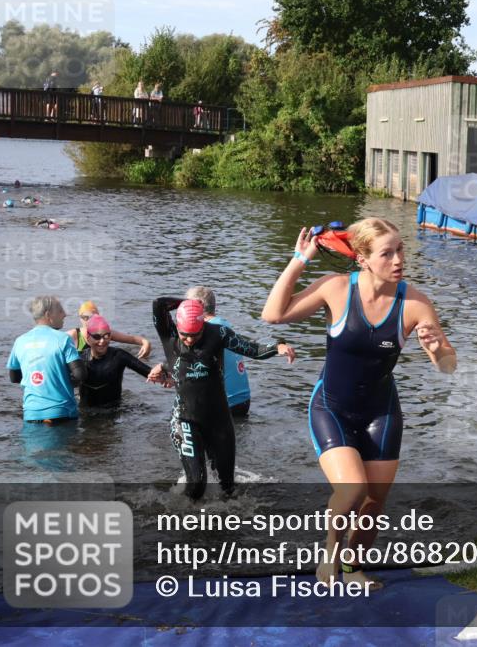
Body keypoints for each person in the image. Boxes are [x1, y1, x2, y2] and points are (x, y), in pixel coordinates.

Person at [261, 218, 457, 589]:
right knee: (352, 491)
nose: (399, 259)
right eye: (388, 253)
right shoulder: (336, 288)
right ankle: (331, 552)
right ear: (363, 259)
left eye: (400, 249)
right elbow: (273, 315)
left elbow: (448, 366)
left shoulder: (413, 302)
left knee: (372, 507)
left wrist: (436, 350)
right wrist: (299, 259)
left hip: (381, 414)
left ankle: (353, 569)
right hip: (331, 407)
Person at [148, 297, 296, 500]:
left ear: (203, 326)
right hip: (185, 419)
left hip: (219, 419)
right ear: (178, 329)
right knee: (197, 485)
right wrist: (190, 303)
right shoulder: (169, 335)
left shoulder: (217, 334)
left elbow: (249, 348)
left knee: (228, 488)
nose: (190, 340)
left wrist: (276, 348)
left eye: (196, 334)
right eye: (185, 335)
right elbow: (159, 304)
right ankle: (180, 522)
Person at [7, 295, 85, 424]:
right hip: (62, 412)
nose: (65, 314)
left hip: (31, 414)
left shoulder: (20, 341)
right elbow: (80, 374)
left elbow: (14, 378)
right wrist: (64, 382)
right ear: (48, 314)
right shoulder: (63, 339)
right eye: (60, 310)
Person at [184, 286, 252, 417]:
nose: (186, 310)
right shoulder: (224, 325)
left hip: (225, 405)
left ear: (200, 305)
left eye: (188, 306)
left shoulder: (207, 330)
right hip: (243, 401)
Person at [79, 315, 160, 407]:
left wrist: (163, 369)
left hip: (114, 410)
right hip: (87, 411)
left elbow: (149, 372)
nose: (102, 341)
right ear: (88, 337)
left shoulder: (118, 356)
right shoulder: (80, 358)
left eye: (106, 336)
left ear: (110, 336)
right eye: (96, 337)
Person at [68, 300, 151, 358]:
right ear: (80, 319)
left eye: (93, 317)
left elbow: (132, 339)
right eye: (85, 317)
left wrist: (146, 343)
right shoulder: (72, 336)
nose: (89, 320)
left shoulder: (105, 333)